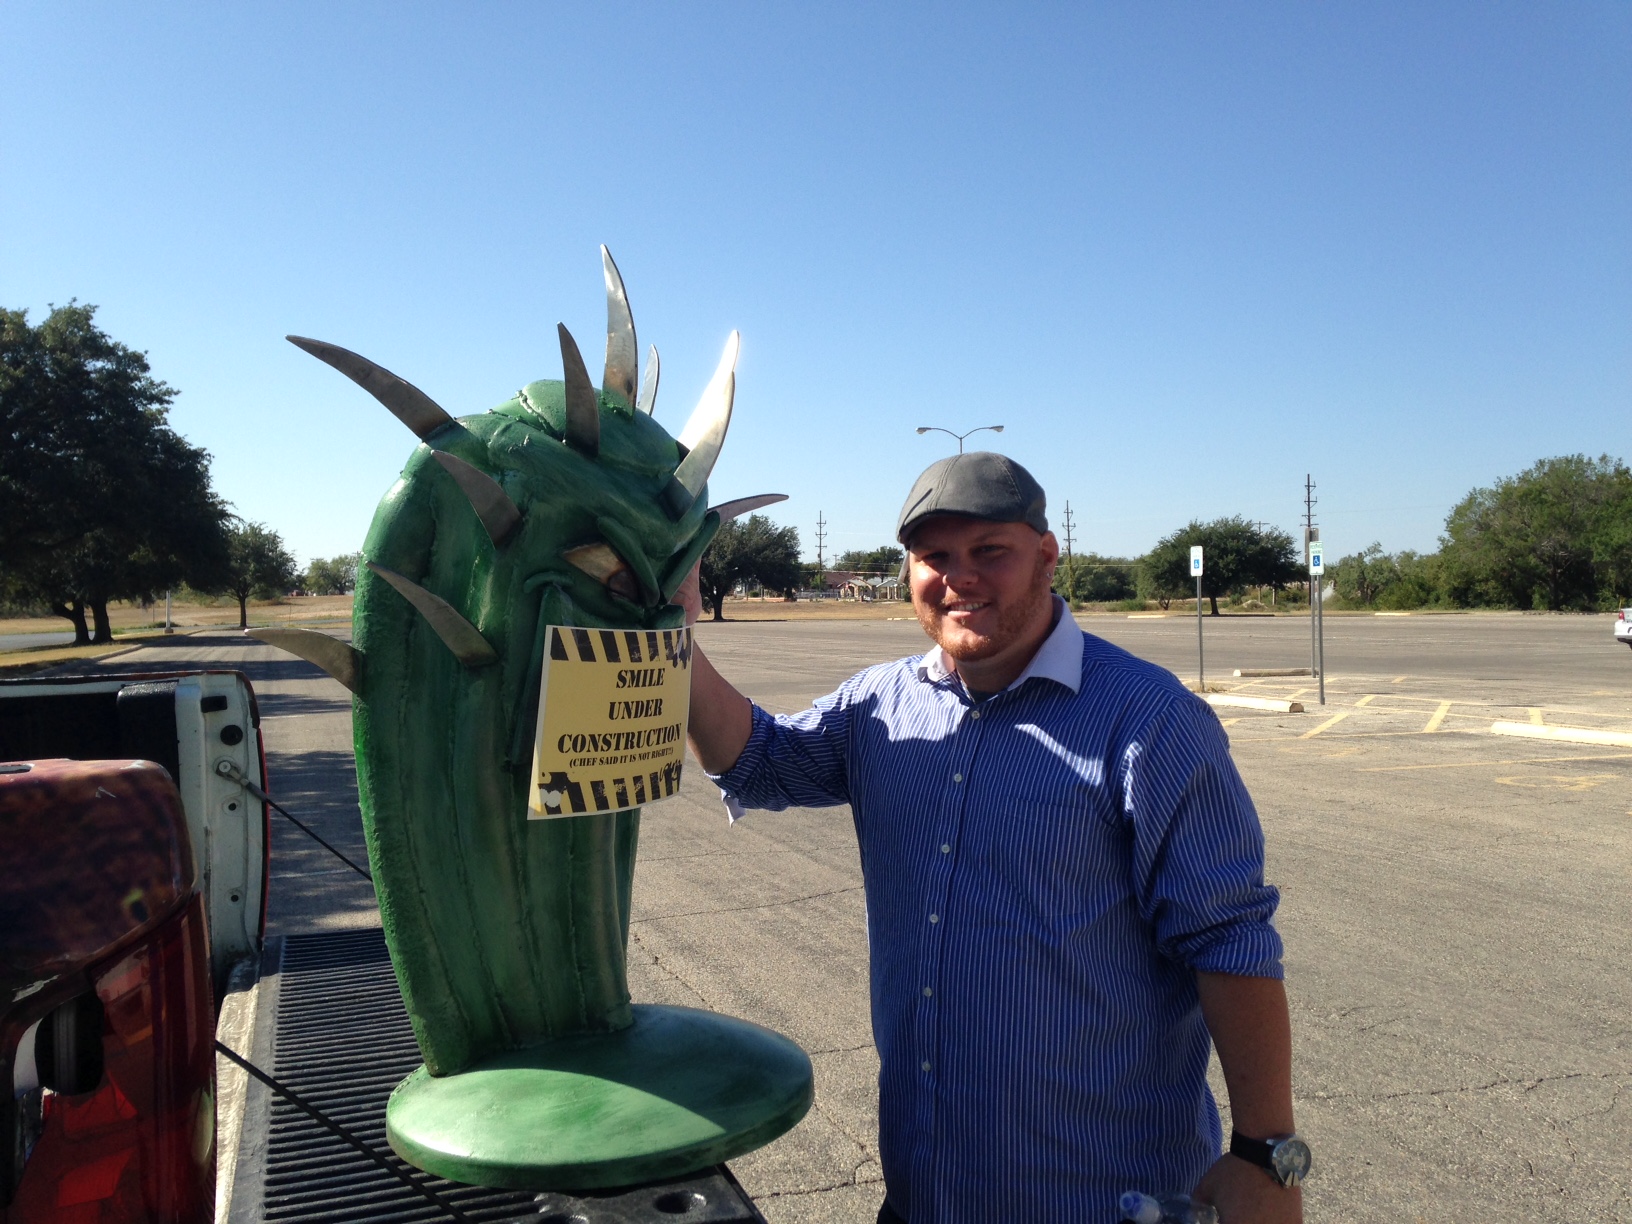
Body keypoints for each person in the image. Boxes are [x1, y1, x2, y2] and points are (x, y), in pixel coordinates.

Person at [678, 453, 1308, 1224]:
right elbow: (758, 763)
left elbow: (1228, 942)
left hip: (1101, 1202)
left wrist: (1263, 1157)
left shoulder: (1148, 722)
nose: (959, 578)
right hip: (926, 1196)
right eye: (934, 557)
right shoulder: (878, 707)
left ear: (1046, 555)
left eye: (989, 553)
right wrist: (669, 634)